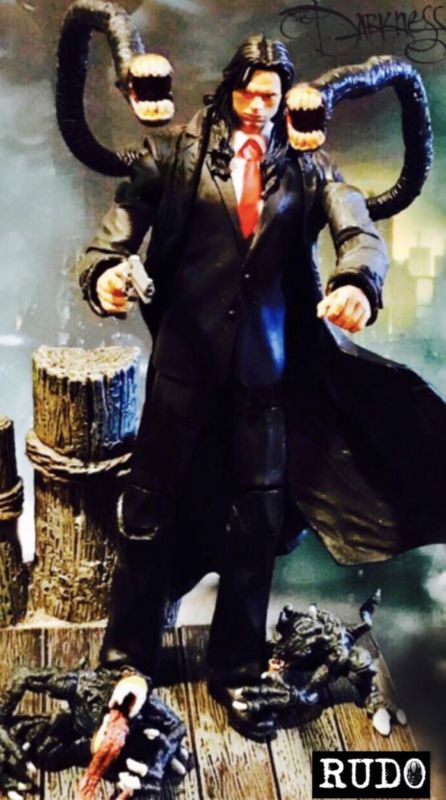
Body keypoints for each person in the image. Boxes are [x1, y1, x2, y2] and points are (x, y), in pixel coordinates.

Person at [79, 34, 388, 741]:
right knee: (147, 512)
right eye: (248, 93)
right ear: (229, 89)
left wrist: (357, 283)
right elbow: (115, 233)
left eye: (271, 97)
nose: (258, 107)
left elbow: (357, 227)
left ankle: (238, 668)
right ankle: (125, 657)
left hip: (262, 375)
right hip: (182, 369)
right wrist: (106, 274)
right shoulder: (176, 155)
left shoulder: (306, 166)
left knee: (256, 521)